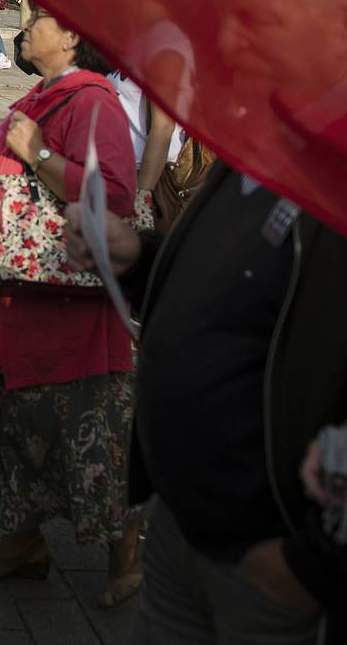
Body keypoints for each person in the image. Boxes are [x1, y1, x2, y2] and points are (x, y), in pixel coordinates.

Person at [65, 167, 347, 641]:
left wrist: (308, 566)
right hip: (178, 520)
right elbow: (226, 285)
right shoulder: (250, 154)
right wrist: (137, 258)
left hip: (266, 558)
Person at [0, 5, 142, 607]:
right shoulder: (37, 97)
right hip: (13, 294)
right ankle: (19, 541)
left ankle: (124, 549)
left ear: (74, 35)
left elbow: (117, 196)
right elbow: (3, 179)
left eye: (39, 21)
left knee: (82, 428)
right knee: (15, 423)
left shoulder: (92, 101)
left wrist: (39, 155)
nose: (25, 29)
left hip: (63, 305)